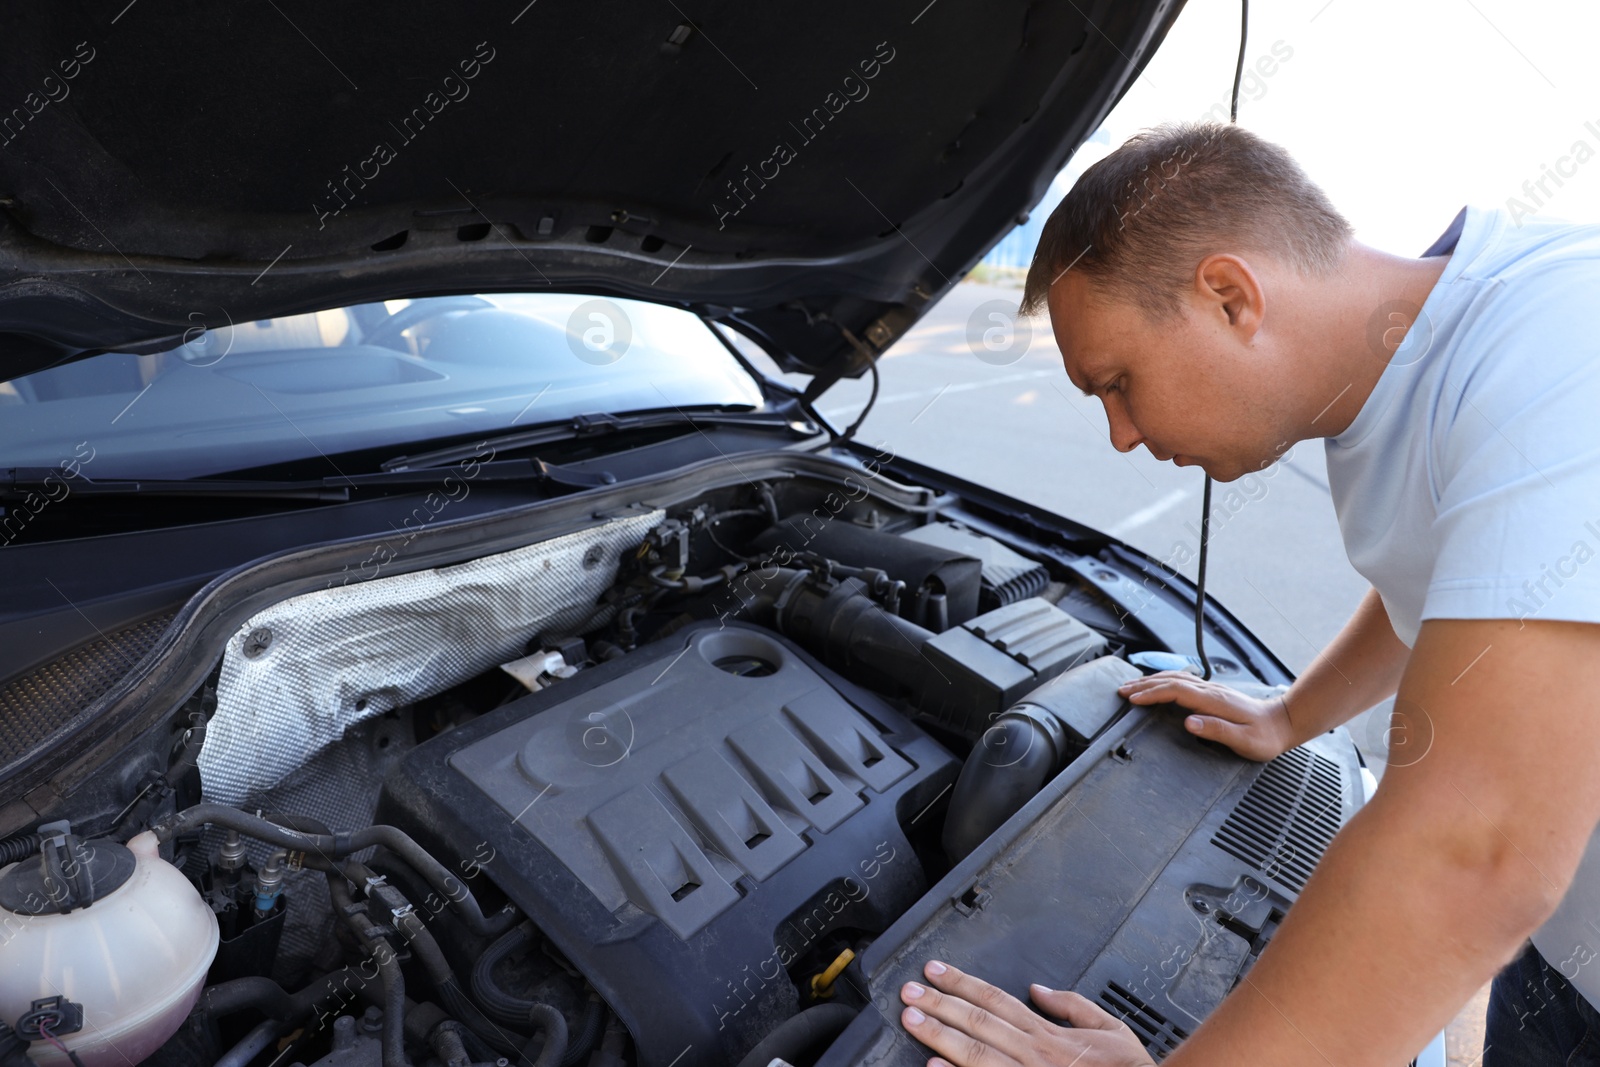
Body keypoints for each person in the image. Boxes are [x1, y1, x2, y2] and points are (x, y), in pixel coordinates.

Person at [895, 121, 1600, 1066]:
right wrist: (1290, 715)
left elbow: (1474, 853)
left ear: (1229, 295)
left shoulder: (1558, 343)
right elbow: (1446, 586)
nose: (1120, 436)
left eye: (1118, 384)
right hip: (1566, 951)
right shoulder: (1414, 376)